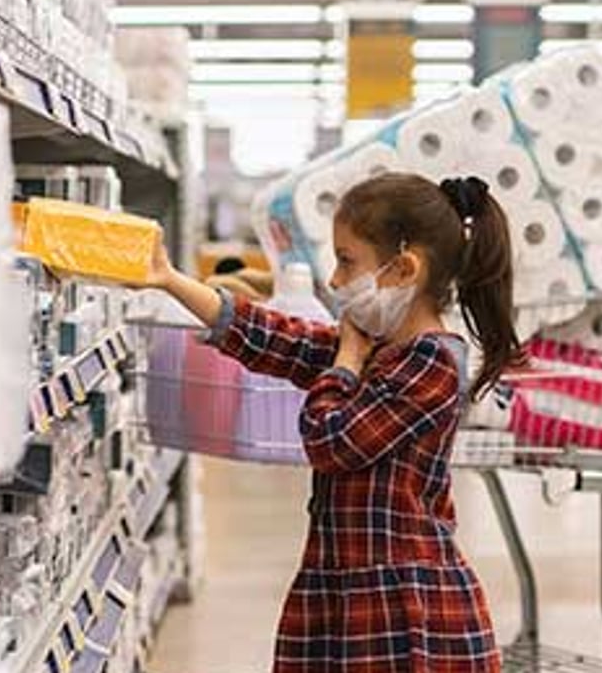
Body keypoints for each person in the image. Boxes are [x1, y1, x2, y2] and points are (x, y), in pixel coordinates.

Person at [143, 173, 519, 672]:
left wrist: (344, 359)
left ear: (404, 269)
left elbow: (332, 440)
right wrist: (170, 279)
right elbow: (277, 339)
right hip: (349, 588)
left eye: (347, 261)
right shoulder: (381, 347)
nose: (337, 281)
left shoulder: (431, 362)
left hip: (402, 610)